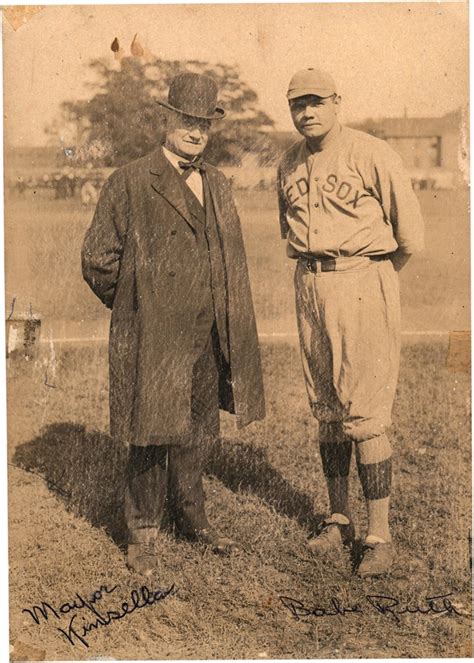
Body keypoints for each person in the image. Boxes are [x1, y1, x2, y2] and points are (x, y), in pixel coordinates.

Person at [82, 72, 265, 576]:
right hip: (154, 331)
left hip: (206, 332)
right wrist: (135, 307)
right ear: (167, 120)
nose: (196, 132)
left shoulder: (218, 184)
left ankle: (193, 519)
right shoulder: (130, 180)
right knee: (150, 428)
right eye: (187, 121)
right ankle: (142, 530)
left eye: (204, 124)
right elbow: (98, 260)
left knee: (199, 428)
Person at [277, 68, 424, 577]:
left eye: (316, 102)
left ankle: (378, 534)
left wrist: (372, 281)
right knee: (328, 408)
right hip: (309, 283)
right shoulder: (288, 163)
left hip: (362, 279)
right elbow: (289, 231)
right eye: (298, 104)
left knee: (366, 413)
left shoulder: (373, 153)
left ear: (338, 102)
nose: (307, 112)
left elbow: (410, 238)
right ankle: (338, 517)